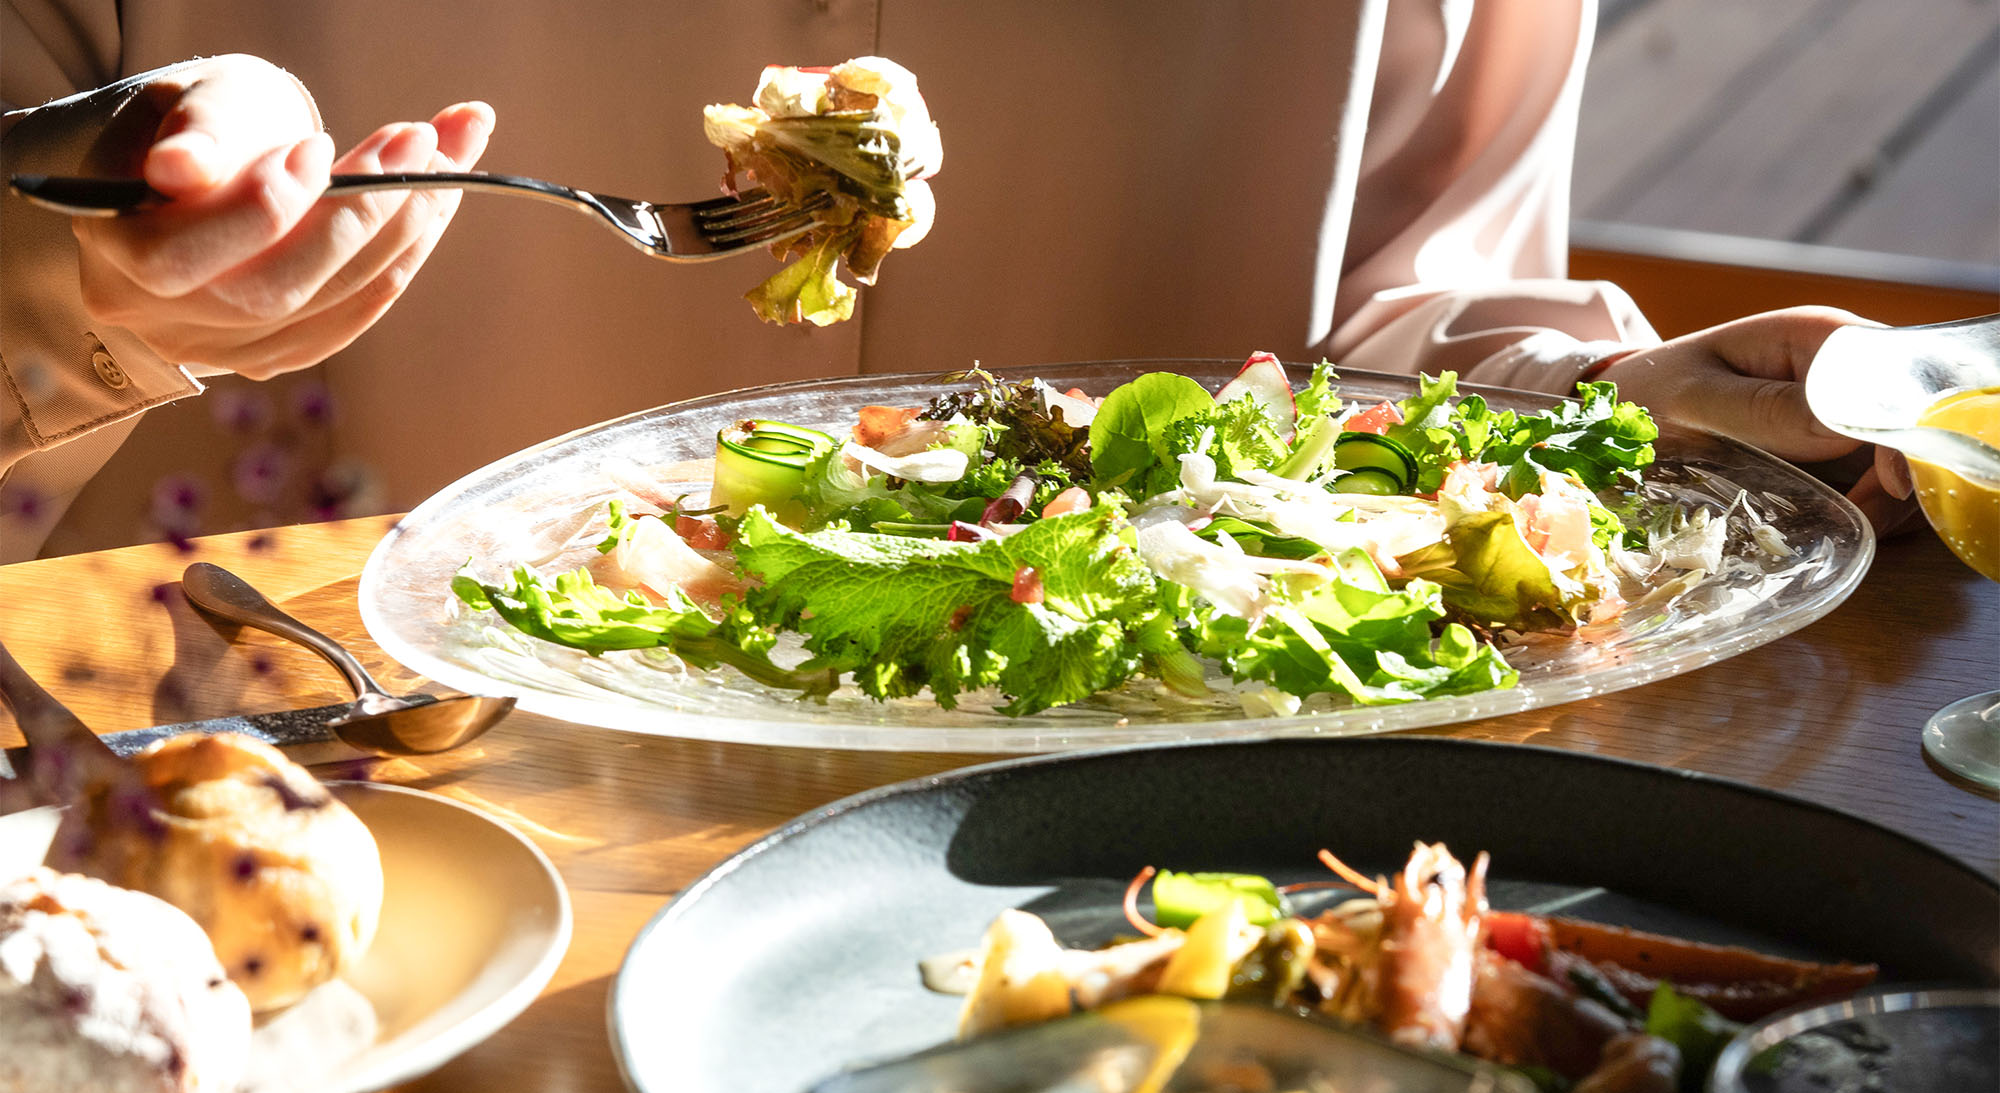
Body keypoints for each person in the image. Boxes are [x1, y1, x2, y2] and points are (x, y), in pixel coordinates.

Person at [0, 1, 1912, 562]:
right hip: (395, 865)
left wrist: (1617, 418)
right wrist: (86, 303)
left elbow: (1404, 308)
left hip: (1130, 860)